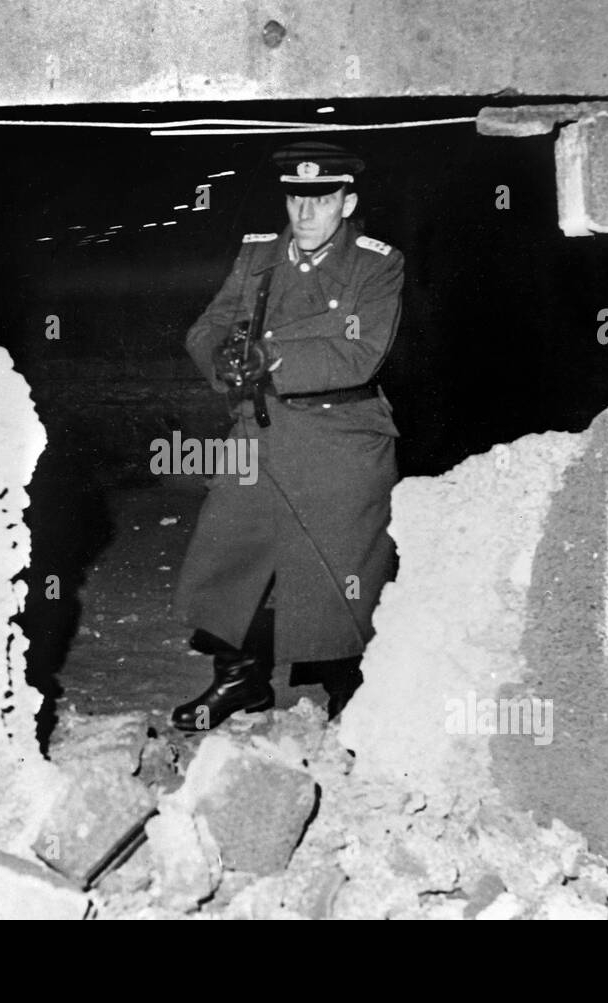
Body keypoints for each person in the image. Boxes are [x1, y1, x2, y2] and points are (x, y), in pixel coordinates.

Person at [170, 140, 405, 731]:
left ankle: (351, 693)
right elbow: (209, 324)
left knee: (340, 570)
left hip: (342, 435)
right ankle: (240, 678)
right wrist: (223, 357)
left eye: (322, 200)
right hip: (260, 429)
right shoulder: (258, 256)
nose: (305, 214)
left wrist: (269, 355)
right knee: (230, 551)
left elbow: (360, 353)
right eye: (297, 199)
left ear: (346, 204)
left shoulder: (377, 265)